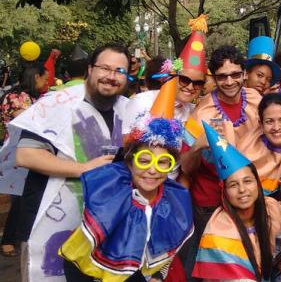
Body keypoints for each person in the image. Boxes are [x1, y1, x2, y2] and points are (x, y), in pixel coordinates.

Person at [0, 43, 130, 281]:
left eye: (120, 71)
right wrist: (84, 169)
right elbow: (26, 155)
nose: (112, 77)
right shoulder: (57, 103)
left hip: (101, 223)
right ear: (90, 69)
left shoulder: (127, 109)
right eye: (105, 68)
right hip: (50, 213)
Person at [59, 117, 193, 281]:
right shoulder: (112, 199)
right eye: (144, 160)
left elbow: (168, 245)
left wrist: (158, 275)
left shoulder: (173, 202)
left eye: (163, 162)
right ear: (129, 163)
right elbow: (79, 258)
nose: (152, 170)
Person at [180, 44, 263, 278]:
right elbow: (185, 168)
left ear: (244, 73)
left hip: (249, 197)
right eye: (222, 76)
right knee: (207, 265)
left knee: (245, 261)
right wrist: (197, 146)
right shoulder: (201, 113)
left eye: (235, 74)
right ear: (213, 78)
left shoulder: (257, 99)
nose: (229, 82)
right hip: (209, 203)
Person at [193, 123, 281, 281]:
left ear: (257, 183)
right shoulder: (218, 230)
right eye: (233, 184)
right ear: (224, 191)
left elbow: (277, 254)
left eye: (247, 181)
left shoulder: (271, 208)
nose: (242, 190)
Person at [0, 62, 49, 257]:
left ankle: (22, 238)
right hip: (17, 152)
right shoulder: (14, 97)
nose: (46, 83)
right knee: (19, 198)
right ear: (36, 77)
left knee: (29, 196)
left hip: (35, 151)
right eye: (45, 79)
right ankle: (9, 240)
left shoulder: (35, 97)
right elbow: (26, 120)